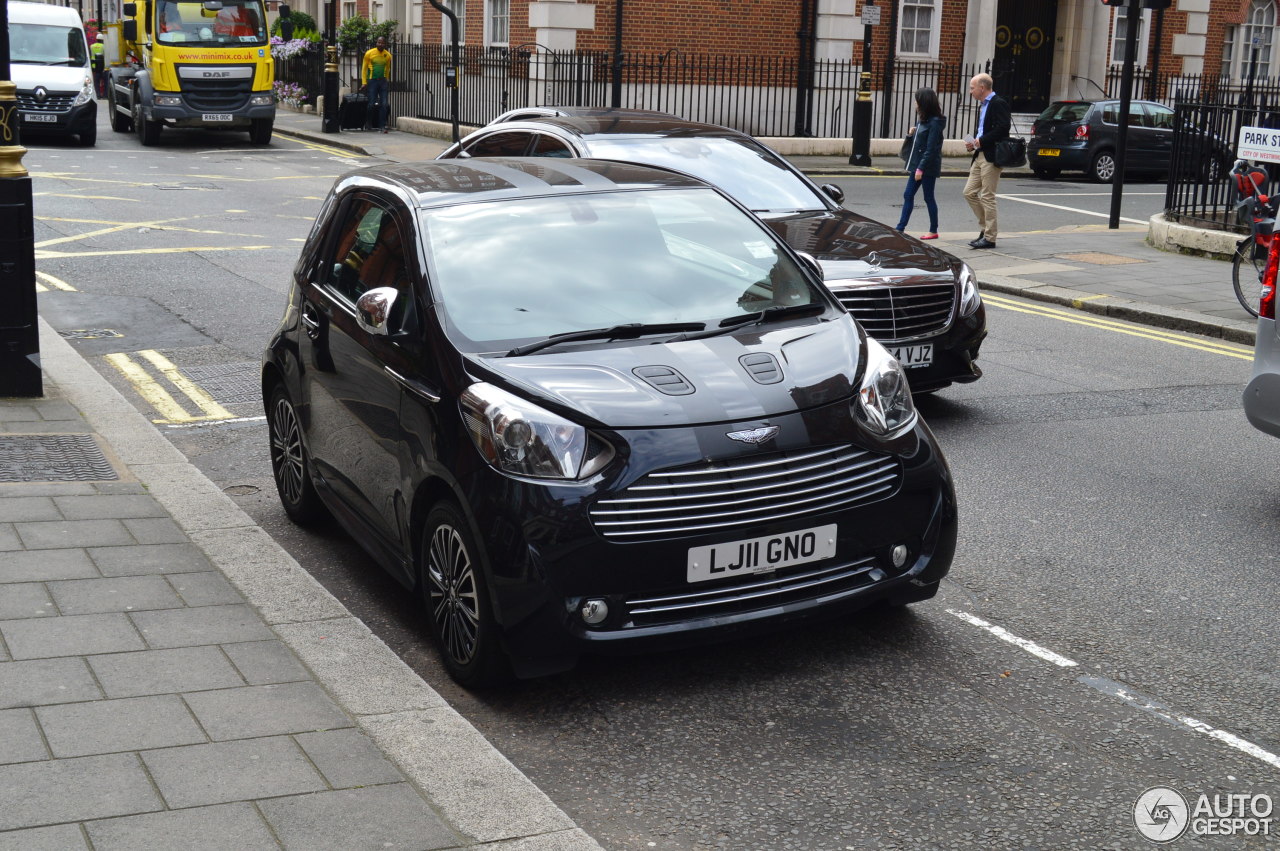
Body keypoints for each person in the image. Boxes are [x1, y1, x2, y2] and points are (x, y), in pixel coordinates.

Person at [962, 73, 1010, 250]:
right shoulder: (983, 105)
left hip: (991, 155)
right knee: (969, 192)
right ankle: (985, 228)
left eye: (972, 87)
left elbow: (1003, 129)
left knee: (988, 196)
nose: (970, 91)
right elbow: (984, 130)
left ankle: (990, 237)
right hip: (980, 154)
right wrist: (974, 144)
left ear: (982, 88)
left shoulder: (998, 103)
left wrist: (982, 141)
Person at [896, 87, 945, 239]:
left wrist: (920, 169)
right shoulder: (924, 120)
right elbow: (918, 145)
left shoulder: (935, 123)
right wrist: (911, 134)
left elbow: (931, 149)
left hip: (927, 167)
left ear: (923, 102)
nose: (915, 103)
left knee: (928, 197)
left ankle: (933, 230)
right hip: (919, 165)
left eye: (917, 100)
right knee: (908, 194)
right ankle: (900, 228)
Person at [361, 36, 393, 133]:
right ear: (376, 43)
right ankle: (368, 122)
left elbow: (387, 69)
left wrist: (387, 80)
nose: (380, 44)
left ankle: (382, 126)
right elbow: (364, 68)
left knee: (383, 104)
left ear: (385, 44)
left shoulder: (388, 55)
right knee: (371, 104)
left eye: (382, 43)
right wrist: (364, 82)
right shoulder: (369, 53)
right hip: (372, 81)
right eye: (379, 42)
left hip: (383, 81)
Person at [90, 33, 106, 98]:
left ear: (96, 39)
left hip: (94, 66)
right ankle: (105, 95)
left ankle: (98, 95)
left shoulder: (92, 46)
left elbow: (91, 54)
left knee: (96, 82)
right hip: (102, 66)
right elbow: (105, 55)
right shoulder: (104, 46)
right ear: (102, 40)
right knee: (104, 81)